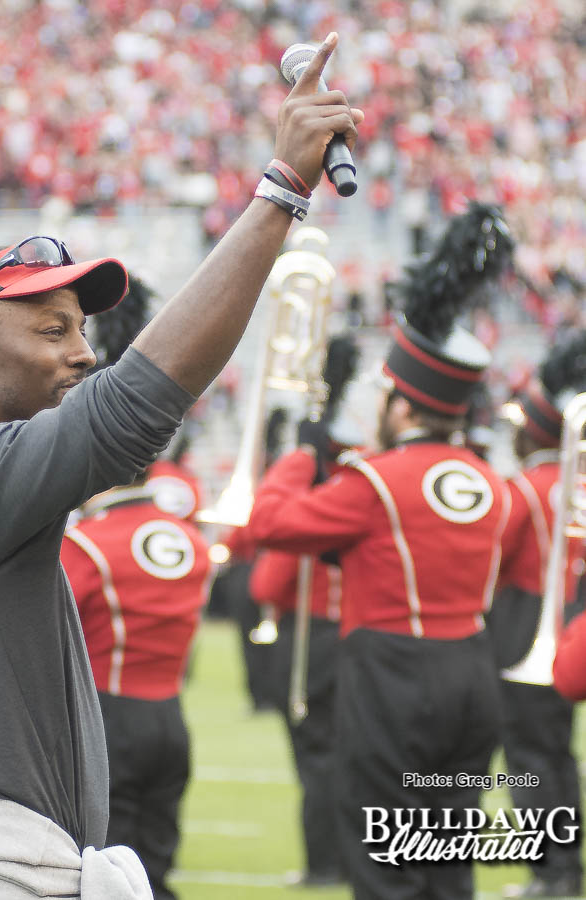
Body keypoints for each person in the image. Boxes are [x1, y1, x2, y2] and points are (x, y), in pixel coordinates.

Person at [0, 33, 362, 900]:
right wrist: (282, 192)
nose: (83, 354)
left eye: (83, 330)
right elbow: (128, 412)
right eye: (52, 329)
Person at [248, 203, 515, 900]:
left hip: (393, 673)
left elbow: (271, 525)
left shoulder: (374, 480)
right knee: (450, 860)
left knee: (384, 861)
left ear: (402, 404)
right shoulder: (496, 484)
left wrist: (302, 455)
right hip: (474, 666)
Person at [60, 472, 210, 900]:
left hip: (106, 717)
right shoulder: (188, 536)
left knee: (104, 869)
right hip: (170, 713)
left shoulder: (88, 541)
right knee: (155, 866)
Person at [247, 333, 362, 888]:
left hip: (312, 639)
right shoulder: (361, 487)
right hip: (359, 638)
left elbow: (268, 578)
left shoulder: (319, 498)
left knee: (316, 757)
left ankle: (324, 863)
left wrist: (298, 465)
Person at [489, 331, 586, 899]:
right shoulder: (575, 486)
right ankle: (565, 868)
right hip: (572, 617)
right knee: (556, 751)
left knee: (528, 753)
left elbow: (493, 560)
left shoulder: (524, 487)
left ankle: (551, 872)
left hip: (525, 621)